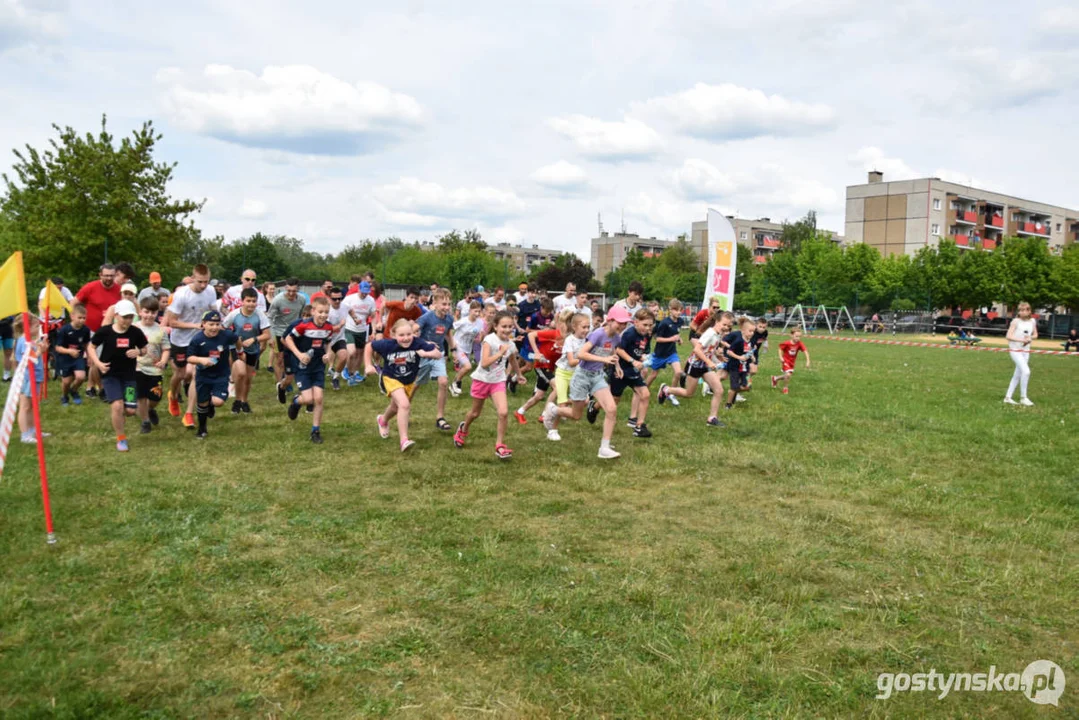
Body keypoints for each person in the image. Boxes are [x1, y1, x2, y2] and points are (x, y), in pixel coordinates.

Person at [545, 306, 631, 459]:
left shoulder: (617, 337)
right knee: (576, 415)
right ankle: (553, 410)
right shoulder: (597, 334)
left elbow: (612, 351)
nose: (623, 326)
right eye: (620, 323)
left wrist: (617, 365)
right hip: (582, 376)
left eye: (625, 323)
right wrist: (604, 360)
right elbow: (581, 353)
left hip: (597, 376)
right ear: (610, 320)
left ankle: (604, 448)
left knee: (611, 409)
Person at [453, 310, 526, 459]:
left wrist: (519, 374)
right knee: (475, 413)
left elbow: (512, 360)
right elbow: (485, 362)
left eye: (510, 326)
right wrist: (500, 353)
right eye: (503, 326)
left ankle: (499, 445)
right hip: (482, 380)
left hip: (498, 381)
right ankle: (463, 428)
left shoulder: (510, 344)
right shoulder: (489, 340)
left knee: (503, 412)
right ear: (495, 326)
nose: (507, 330)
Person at [366, 318, 441, 452]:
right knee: (405, 404)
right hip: (391, 378)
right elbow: (369, 346)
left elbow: (438, 353)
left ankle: (383, 420)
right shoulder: (387, 345)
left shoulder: (417, 343)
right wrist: (367, 365)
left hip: (408, 381)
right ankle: (404, 440)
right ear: (393, 335)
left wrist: (426, 353)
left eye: (409, 334)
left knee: (396, 407)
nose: (406, 338)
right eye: (401, 335)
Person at [87, 299, 148, 452]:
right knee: (117, 405)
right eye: (124, 316)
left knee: (130, 411)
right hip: (110, 375)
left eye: (130, 317)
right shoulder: (105, 331)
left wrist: (138, 352)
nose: (127, 320)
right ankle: (121, 438)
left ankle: (120, 418)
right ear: (116, 316)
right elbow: (91, 347)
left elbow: (145, 349)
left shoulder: (135, 332)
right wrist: (98, 363)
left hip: (129, 377)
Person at [165, 264, 217, 428]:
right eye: (200, 282)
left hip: (199, 339)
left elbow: (213, 311)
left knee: (195, 374)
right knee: (181, 375)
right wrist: (194, 326)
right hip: (180, 340)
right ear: (192, 278)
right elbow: (172, 322)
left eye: (206, 281)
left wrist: (216, 324)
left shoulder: (210, 291)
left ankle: (188, 414)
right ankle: (173, 396)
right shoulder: (181, 295)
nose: (203, 285)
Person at [659, 311, 733, 427]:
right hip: (695, 365)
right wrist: (709, 361)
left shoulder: (718, 335)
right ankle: (666, 390)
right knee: (689, 393)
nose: (726, 328)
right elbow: (697, 350)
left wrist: (718, 358)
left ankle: (712, 418)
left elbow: (709, 350)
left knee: (719, 390)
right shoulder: (710, 333)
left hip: (704, 366)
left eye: (729, 326)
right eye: (724, 324)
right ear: (717, 322)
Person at [281, 297, 333, 442]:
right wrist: (299, 354)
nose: (323, 315)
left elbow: (328, 342)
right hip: (303, 366)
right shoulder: (304, 326)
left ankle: (315, 431)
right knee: (308, 398)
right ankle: (296, 402)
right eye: (320, 312)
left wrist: (327, 354)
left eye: (326, 312)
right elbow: (288, 339)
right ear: (313, 311)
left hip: (318, 367)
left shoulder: (328, 327)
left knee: (318, 399)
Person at [186, 310, 241, 439]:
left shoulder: (226, 335)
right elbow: (189, 358)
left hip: (221, 374)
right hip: (203, 375)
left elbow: (236, 339)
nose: (214, 327)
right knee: (202, 403)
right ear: (203, 324)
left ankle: (211, 404)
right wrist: (201, 360)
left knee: (219, 401)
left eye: (217, 324)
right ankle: (202, 428)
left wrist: (240, 350)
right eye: (211, 324)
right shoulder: (197, 339)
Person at [517, 308, 573, 425]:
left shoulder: (569, 339)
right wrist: (536, 352)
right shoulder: (553, 333)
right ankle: (545, 415)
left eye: (568, 324)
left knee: (539, 396)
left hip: (551, 367)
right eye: (563, 323)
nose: (565, 327)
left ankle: (520, 412)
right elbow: (531, 335)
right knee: (557, 388)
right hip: (541, 365)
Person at [542, 312, 591, 442]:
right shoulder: (569, 340)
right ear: (574, 327)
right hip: (563, 373)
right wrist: (588, 359)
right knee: (562, 403)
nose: (586, 330)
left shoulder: (588, 340)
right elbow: (571, 361)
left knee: (585, 401)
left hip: (577, 374)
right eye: (584, 327)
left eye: (588, 327)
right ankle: (553, 430)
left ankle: (552, 409)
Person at [75, 263, 122, 396]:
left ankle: (91, 387)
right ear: (100, 275)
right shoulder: (90, 287)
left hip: (112, 330)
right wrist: (77, 320)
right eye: (106, 275)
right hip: (92, 330)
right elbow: (74, 302)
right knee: (95, 360)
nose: (109, 278)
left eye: (111, 276)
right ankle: (101, 388)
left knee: (105, 359)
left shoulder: (119, 289)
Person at [222, 287, 271, 413]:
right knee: (241, 373)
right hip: (237, 348)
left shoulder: (259, 314)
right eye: (248, 301)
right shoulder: (234, 314)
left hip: (253, 349)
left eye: (254, 301)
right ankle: (237, 400)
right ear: (242, 301)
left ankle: (244, 401)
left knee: (248, 378)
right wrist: (232, 339)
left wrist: (254, 339)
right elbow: (222, 328)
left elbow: (267, 335)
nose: (251, 304)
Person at [415, 288, 456, 431]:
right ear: (435, 303)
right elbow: (414, 329)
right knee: (415, 385)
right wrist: (420, 346)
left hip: (438, 354)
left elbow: (448, 334)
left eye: (449, 304)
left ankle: (440, 417)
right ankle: (403, 409)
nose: (446, 307)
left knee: (443, 382)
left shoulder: (449, 319)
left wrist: (454, 350)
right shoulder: (427, 317)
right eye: (443, 304)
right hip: (423, 355)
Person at [615, 308, 656, 438]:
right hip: (620, 370)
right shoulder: (629, 334)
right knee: (614, 399)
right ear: (636, 322)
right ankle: (595, 406)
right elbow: (619, 350)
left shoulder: (647, 334)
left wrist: (644, 358)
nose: (648, 328)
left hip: (633, 371)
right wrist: (633, 361)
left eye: (650, 325)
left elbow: (643, 350)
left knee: (645, 394)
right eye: (645, 325)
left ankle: (639, 426)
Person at [134, 297, 170, 434]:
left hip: (155, 369)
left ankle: (150, 409)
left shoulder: (160, 330)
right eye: (146, 311)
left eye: (153, 312)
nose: (149, 315)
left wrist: (164, 361)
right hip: (137, 368)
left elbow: (166, 348)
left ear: (157, 313)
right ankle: (145, 421)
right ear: (141, 312)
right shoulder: (134, 328)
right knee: (141, 396)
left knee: (156, 396)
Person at [267, 278, 307, 402]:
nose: (291, 293)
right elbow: (270, 318)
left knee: (295, 358)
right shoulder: (278, 300)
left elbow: (302, 316)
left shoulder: (301, 299)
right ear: (285, 288)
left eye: (293, 291)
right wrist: (271, 336)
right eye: (288, 290)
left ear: (298, 290)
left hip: (294, 332)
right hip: (280, 332)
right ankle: (281, 387)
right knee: (280, 359)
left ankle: (289, 379)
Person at [14, 315, 49, 444]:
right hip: (28, 377)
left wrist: (42, 348)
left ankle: (33, 431)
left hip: (35, 376)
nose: (38, 328)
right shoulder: (23, 341)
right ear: (27, 327)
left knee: (33, 406)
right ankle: (25, 434)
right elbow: (28, 360)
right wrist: (39, 351)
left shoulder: (30, 340)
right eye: (36, 326)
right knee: (25, 406)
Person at [340, 280, 379, 385]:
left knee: (360, 353)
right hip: (349, 328)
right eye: (363, 292)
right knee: (352, 352)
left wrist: (374, 331)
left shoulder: (370, 300)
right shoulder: (350, 299)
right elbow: (342, 310)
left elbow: (373, 316)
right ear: (358, 289)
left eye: (367, 292)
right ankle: (347, 369)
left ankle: (354, 373)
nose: (365, 294)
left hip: (363, 330)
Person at [644, 299, 684, 399]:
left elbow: (676, 333)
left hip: (671, 352)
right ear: (670, 309)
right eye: (676, 310)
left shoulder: (680, 321)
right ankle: (643, 391)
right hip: (660, 354)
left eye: (680, 310)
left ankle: (671, 393)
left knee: (678, 372)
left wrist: (679, 339)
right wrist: (672, 339)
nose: (678, 312)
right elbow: (658, 339)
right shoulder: (664, 323)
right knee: (653, 375)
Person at [55, 304, 91, 406]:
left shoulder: (85, 330)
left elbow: (86, 344)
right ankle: (65, 396)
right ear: (72, 316)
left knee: (81, 377)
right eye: (79, 317)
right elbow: (58, 348)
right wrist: (69, 351)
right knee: (66, 382)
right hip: (65, 358)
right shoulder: (64, 330)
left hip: (78, 357)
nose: (82, 320)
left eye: (84, 318)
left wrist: (89, 356)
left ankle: (74, 391)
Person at [1004, 302, 1037, 406]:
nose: (1022, 312)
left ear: (1029, 311)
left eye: (1024, 310)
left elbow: (1035, 334)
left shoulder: (1032, 321)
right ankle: (1023, 397)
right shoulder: (1015, 321)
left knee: (1018, 374)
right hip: (1015, 350)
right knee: (1026, 371)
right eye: (1020, 310)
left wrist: (1030, 338)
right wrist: (1020, 340)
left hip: (1025, 350)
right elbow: (1008, 336)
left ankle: (1008, 397)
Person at [450, 300, 484, 397]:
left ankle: (454, 385)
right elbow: (450, 331)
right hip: (458, 346)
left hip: (468, 348)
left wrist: (479, 338)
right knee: (468, 367)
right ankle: (456, 384)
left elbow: (479, 336)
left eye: (479, 311)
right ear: (470, 310)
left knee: (463, 369)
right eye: (475, 311)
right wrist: (453, 348)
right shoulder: (463, 321)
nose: (477, 314)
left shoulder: (480, 322)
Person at [723, 317, 757, 411]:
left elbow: (749, 351)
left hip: (744, 368)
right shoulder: (738, 341)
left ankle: (733, 396)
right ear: (743, 331)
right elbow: (729, 352)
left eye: (753, 331)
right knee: (734, 387)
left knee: (746, 386)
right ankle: (728, 404)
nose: (752, 333)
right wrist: (739, 357)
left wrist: (752, 357)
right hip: (734, 367)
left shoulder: (750, 341)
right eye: (750, 331)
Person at [772, 328, 810, 394]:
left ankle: (775, 378)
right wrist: (781, 357)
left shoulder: (799, 344)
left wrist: (808, 361)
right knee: (788, 375)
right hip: (785, 361)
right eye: (796, 336)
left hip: (792, 362)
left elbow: (805, 351)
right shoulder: (787, 343)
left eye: (799, 336)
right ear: (791, 335)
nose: (798, 338)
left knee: (787, 376)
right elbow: (780, 349)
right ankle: (785, 388)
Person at [325, 288, 350, 391]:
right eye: (334, 299)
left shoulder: (344, 306)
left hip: (339, 338)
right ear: (329, 299)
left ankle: (335, 377)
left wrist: (355, 318)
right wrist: (340, 325)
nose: (337, 301)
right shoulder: (326, 310)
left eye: (340, 298)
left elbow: (350, 309)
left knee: (344, 357)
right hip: (325, 339)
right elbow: (328, 329)